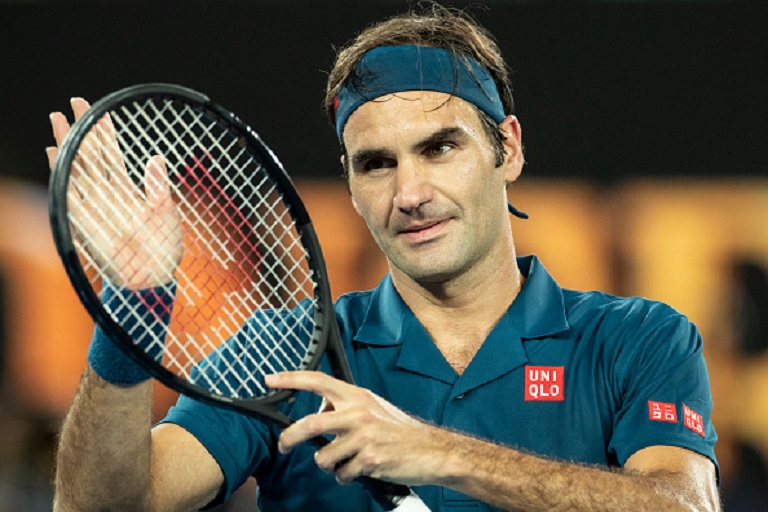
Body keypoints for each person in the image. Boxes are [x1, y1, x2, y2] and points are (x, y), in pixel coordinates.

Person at [48, 3, 720, 511]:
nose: (410, 193)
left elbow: (684, 504)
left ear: (506, 149)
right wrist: (131, 314)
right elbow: (105, 507)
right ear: (351, 185)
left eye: (439, 147)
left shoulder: (638, 340)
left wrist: (438, 454)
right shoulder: (285, 356)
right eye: (376, 164)